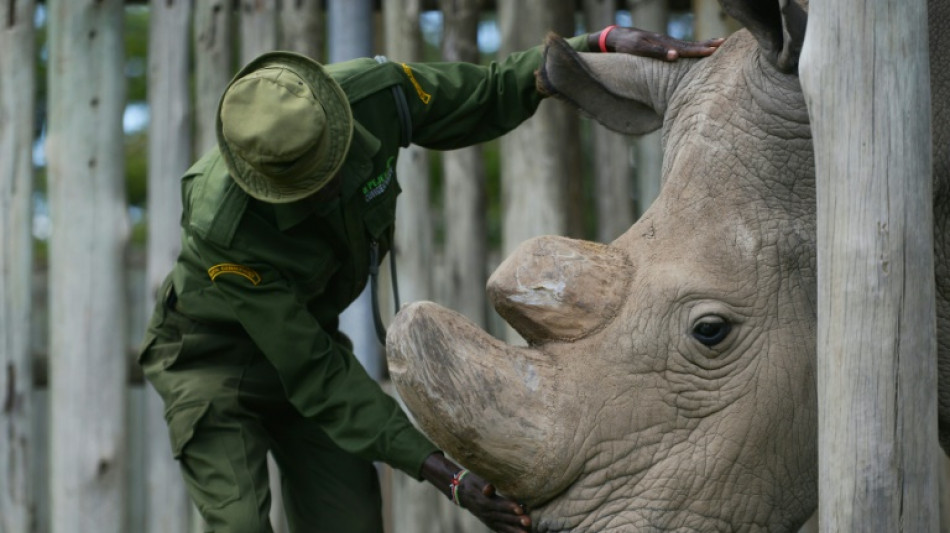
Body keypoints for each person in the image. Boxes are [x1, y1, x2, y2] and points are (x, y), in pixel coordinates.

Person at [138, 25, 722, 533]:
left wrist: (591, 46)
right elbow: (314, 371)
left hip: (311, 355)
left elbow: (489, 90)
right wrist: (446, 474)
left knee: (350, 520)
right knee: (238, 522)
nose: (335, 184)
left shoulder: (373, 95)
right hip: (213, 364)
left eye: (330, 160)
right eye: (309, 182)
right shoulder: (226, 227)